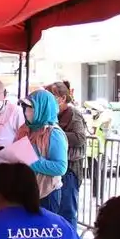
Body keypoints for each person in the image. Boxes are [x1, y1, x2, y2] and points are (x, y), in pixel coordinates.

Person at [19, 89, 69, 214]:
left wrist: (33, 162)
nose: (26, 112)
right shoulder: (25, 129)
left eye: (31, 108)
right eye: (25, 108)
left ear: (43, 108)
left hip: (47, 195)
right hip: (26, 192)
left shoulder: (54, 134)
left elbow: (60, 167)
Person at [45, 82, 87, 229]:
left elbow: (80, 137)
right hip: (53, 167)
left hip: (70, 169)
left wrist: (54, 135)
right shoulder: (52, 115)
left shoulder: (73, 114)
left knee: (67, 212)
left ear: (62, 98)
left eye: (51, 96)